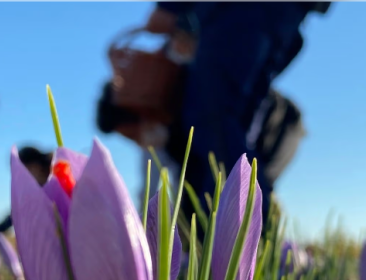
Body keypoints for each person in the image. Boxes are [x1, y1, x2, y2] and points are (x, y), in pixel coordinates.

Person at [142, 2, 328, 223]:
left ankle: (246, 233)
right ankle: (238, 232)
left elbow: (158, 20)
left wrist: (177, 15)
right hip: (285, 21)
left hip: (237, 17)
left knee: (213, 125)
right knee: (235, 129)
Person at [97, 81, 306, 207]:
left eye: (133, 133)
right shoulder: (155, 144)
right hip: (239, 147)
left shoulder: (188, 97)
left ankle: (271, 258)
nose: (138, 141)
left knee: (251, 193)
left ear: (140, 111)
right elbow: (150, 194)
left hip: (276, 127)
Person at [0, 146, 53, 245]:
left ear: (35, 165)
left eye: (20, 172)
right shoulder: (30, 199)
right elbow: (4, 225)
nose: (19, 180)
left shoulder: (63, 181)